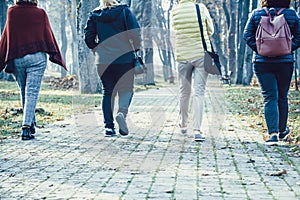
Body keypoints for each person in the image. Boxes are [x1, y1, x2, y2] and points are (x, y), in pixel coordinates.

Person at [0, 0, 67, 140]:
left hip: (17, 57)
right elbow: (48, 35)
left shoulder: (11, 12)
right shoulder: (40, 13)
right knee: (31, 93)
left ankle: (31, 124)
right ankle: (25, 127)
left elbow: (6, 37)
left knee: (24, 91)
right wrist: (54, 53)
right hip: (37, 58)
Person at [243, 0, 300, 145]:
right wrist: (288, 48)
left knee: (270, 97)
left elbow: (247, 35)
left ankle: (273, 134)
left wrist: (261, 49)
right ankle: (282, 131)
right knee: (282, 96)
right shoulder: (291, 14)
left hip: (262, 62)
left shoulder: (257, 14)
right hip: (285, 62)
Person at [84, 0, 141, 137]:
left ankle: (109, 127)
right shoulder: (124, 11)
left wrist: (97, 48)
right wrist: (136, 47)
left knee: (108, 92)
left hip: (103, 60)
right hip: (125, 58)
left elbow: (88, 38)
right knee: (126, 89)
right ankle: (122, 113)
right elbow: (135, 32)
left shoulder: (94, 15)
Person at [171, 0, 214, 142]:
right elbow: (211, 30)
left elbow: (174, 33)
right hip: (201, 54)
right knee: (199, 92)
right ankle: (197, 130)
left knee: (184, 92)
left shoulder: (174, 11)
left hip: (182, 55)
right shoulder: (200, 8)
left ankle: (183, 125)